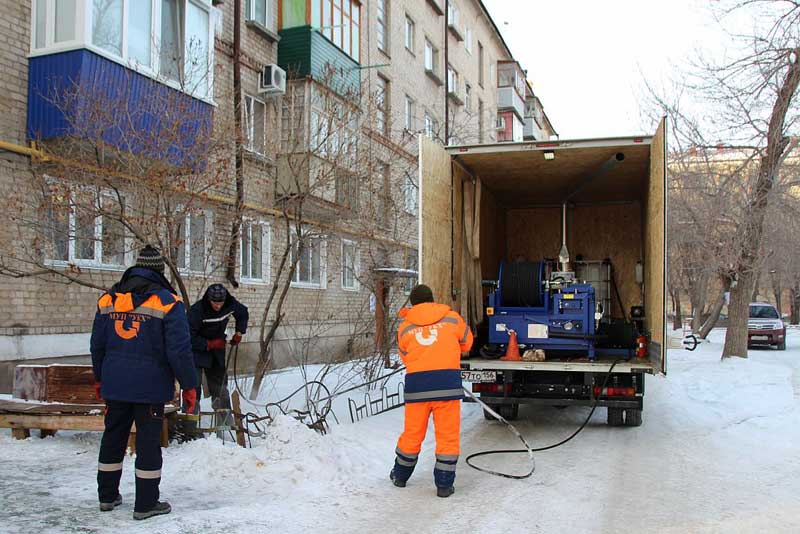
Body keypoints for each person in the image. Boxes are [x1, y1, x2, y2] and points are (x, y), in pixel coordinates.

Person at [90, 245, 198, 520]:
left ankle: (107, 496)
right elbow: (179, 350)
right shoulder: (168, 302)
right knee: (148, 443)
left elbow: (97, 345)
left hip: (115, 384)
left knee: (113, 437)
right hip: (150, 388)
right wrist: (189, 384)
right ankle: (146, 504)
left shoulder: (108, 300)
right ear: (159, 271)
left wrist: (100, 378)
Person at [390, 284, 473, 498]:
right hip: (446, 386)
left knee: (412, 434)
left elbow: (405, 356)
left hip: (417, 389)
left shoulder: (405, 328)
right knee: (447, 436)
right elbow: (467, 343)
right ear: (432, 299)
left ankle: (400, 475)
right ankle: (444, 485)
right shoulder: (452, 319)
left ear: (412, 303)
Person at [188, 283, 248, 412]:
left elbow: (243, 313)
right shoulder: (197, 311)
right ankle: (190, 426)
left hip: (216, 351)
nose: (218, 306)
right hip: (196, 352)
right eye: (215, 302)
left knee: (220, 387)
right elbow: (188, 336)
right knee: (193, 387)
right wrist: (209, 344)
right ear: (209, 299)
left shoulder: (230, 304)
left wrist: (239, 332)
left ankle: (224, 421)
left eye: (220, 303)